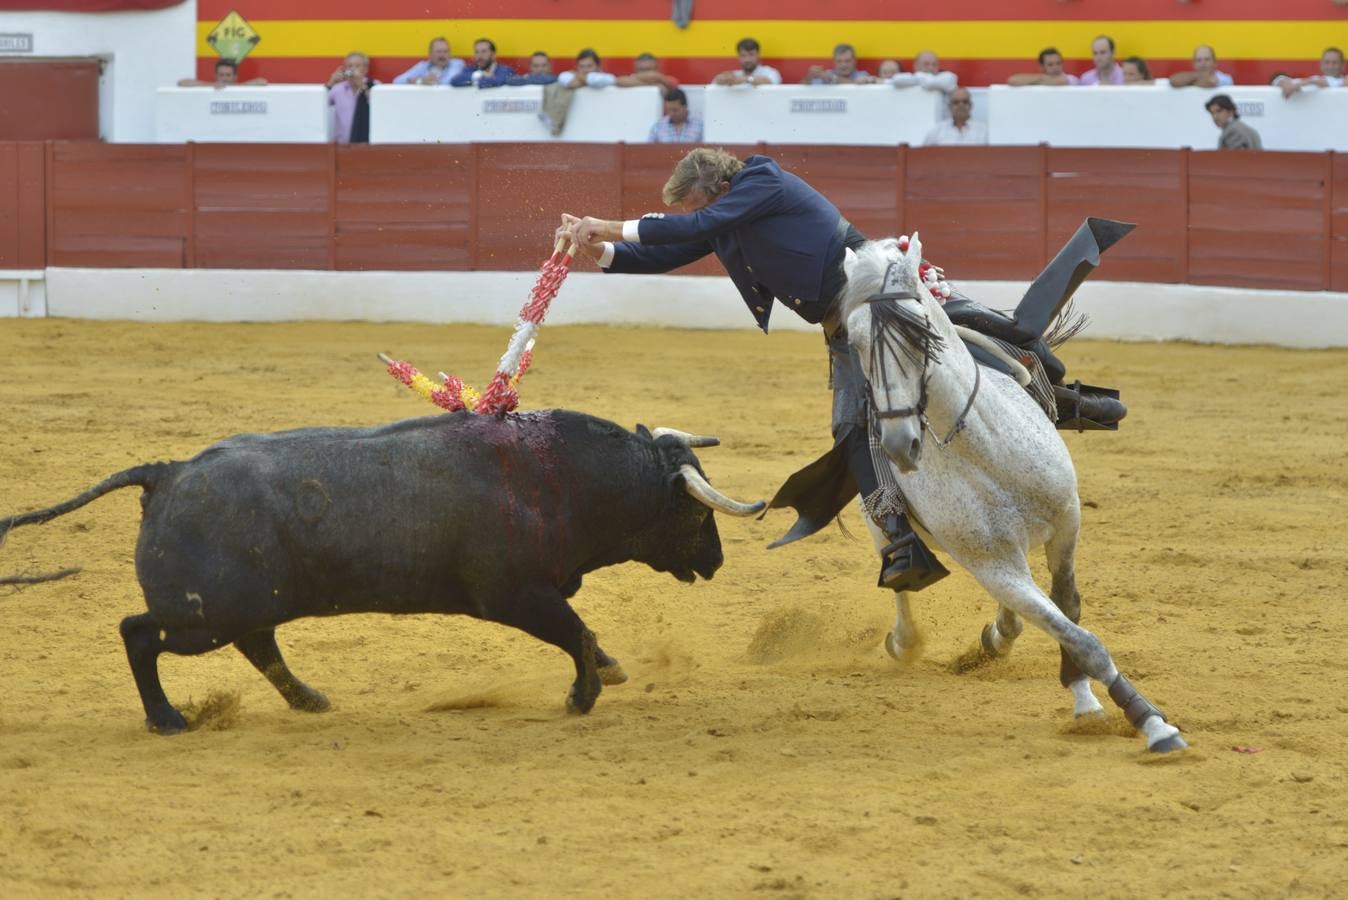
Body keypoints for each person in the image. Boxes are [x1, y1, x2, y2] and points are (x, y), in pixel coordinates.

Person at [555, 149, 1126, 597]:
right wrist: (596, 249)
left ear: (717, 185)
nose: (694, 215)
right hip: (839, 322)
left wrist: (606, 222)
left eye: (696, 203)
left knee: (982, 330)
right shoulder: (724, 216)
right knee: (854, 427)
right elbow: (665, 250)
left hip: (877, 284)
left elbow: (693, 225)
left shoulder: (761, 181)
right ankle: (901, 543)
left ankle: (1070, 401)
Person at [326, 51, 374, 144]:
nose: (352, 69)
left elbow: (377, 103)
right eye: (349, 66)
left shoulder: (375, 86)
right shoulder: (337, 89)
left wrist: (361, 83)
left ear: (366, 69)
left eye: (357, 66)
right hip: (342, 145)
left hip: (368, 144)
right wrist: (330, 83)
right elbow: (320, 105)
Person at [923, 88, 988, 145]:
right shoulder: (937, 131)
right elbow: (924, 155)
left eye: (965, 102)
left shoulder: (984, 131)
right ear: (949, 106)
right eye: (956, 102)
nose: (961, 105)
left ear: (971, 105)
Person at [393, 37, 464, 85]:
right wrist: (420, 81)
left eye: (445, 51)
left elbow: (448, 82)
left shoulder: (457, 64)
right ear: (430, 54)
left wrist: (429, 82)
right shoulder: (422, 66)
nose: (442, 55)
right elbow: (397, 81)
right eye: (438, 52)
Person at [713, 37, 782, 86]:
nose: (747, 59)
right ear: (738, 57)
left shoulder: (770, 72)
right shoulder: (735, 75)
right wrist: (722, 80)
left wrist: (746, 79)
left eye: (751, 54)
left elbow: (771, 81)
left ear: (758, 55)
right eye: (743, 55)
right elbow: (714, 82)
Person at [1278, 46, 1345, 97]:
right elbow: (1280, 79)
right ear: (1321, 65)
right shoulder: (1315, 80)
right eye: (1327, 62)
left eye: (1335, 63)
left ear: (1342, 65)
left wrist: (1311, 81)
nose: (1330, 66)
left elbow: (1327, 82)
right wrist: (1283, 82)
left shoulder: (1344, 81)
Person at [449, 38, 516, 87]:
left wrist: (476, 81)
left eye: (484, 51)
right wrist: (480, 75)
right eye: (476, 52)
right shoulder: (470, 69)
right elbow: (455, 80)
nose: (479, 56)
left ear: (493, 55)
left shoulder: (505, 69)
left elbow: (501, 80)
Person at [888, 50, 958, 92]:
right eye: (926, 64)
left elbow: (931, 83)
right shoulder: (910, 79)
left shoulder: (948, 78)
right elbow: (897, 79)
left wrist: (918, 77)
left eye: (934, 64)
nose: (931, 67)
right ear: (916, 66)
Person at [1168, 45, 1234, 88]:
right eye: (1199, 60)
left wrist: (1189, 82)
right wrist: (1197, 77)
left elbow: (1209, 83)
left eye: (1207, 59)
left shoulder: (1225, 79)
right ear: (1194, 64)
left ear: (1215, 62)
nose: (1203, 63)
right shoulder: (1193, 77)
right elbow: (1174, 81)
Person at [803, 43, 872, 84]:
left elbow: (855, 84)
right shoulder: (826, 75)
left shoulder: (862, 75)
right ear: (834, 62)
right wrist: (810, 77)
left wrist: (832, 78)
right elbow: (801, 90)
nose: (843, 65)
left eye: (847, 61)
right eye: (839, 61)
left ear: (854, 61)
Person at [1008, 48, 1078, 86]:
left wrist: (1032, 82)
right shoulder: (1041, 79)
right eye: (1050, 64)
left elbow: (1062, 81)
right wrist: (1042, 77)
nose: (1055, 67)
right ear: (1042, 67)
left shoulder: (1072, 79)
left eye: (1058, 63)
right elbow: (1013, 80)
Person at [178, 58, 266, 88]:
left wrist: (234, 88)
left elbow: (262, 81)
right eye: (221, 75)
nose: (224, 78)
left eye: (228, 75)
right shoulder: (210, 87)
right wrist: (212, 86)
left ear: (235, 77)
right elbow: (182, 83)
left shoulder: (239, 88)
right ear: (216, 76)